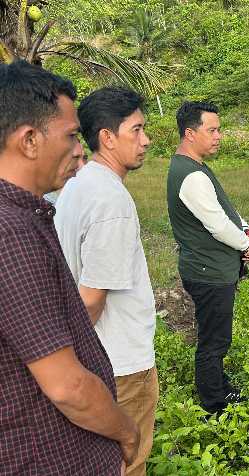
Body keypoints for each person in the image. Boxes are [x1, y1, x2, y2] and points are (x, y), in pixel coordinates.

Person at [0, 60, 138, 474]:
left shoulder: (27, 215)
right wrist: (126, 431)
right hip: (48, 455)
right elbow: (67, 386)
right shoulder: (12, 232)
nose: (80, 149)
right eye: (72, 135)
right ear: (29, 140)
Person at [54, 87, 158, 476]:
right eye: (137, 129)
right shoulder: (111, 202)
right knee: (128, 464)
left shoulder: (78, 186)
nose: (145, 140)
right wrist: (75, 363)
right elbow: (93, 299)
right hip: (121, 364)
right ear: (107, 137)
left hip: (100, 361)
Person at [167, 101, 249, 414]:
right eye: (212, 130)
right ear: (191, 134)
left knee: (216, 334)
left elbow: (226, 209)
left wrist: (247, 231)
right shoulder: (191, 175)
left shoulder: (194, 168)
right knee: (214, 339)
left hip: (210, 268)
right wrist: (245, 245)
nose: (219, 135)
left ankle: (218, 387)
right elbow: (218, 224)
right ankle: (214, 403)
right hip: (208, 272)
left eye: (219, 129)